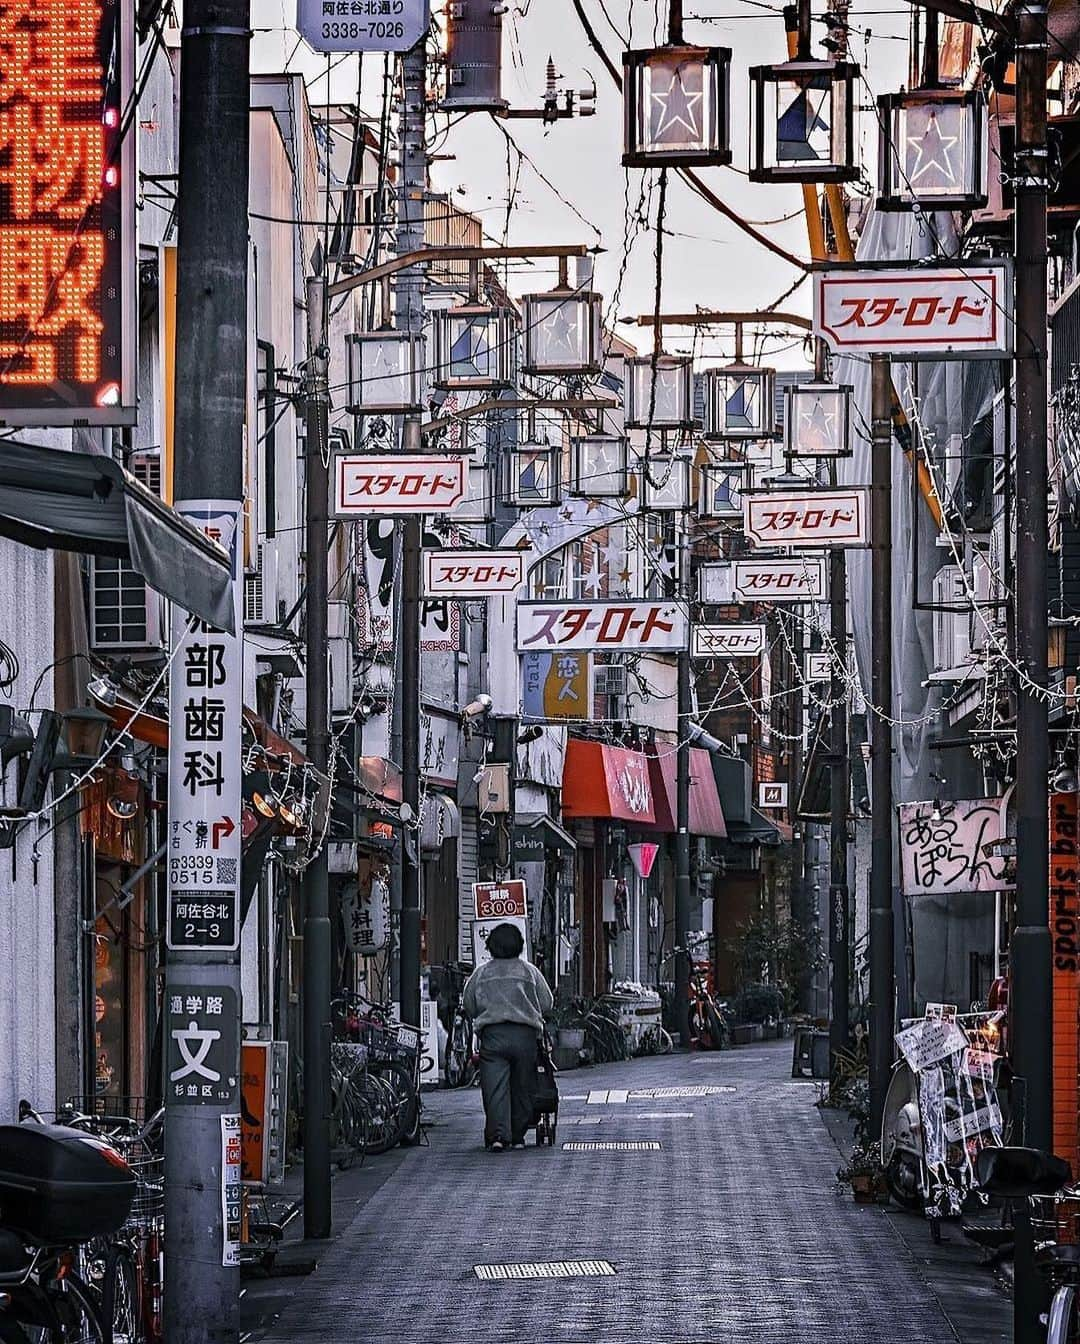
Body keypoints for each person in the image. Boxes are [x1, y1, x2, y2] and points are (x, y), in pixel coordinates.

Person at [461, 922, 554, 1152]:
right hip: (525, 1036)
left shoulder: (481, 973)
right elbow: (547, 1002)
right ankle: (519, 1136)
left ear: (491, 946)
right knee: (523, 1085)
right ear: (519, 945)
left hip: (493, 1037)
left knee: (495, 1088)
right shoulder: (529, 971)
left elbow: (469, 1004)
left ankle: (499, 1136)